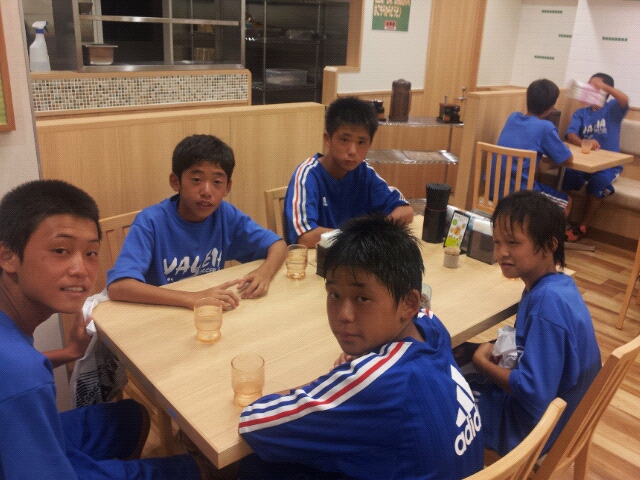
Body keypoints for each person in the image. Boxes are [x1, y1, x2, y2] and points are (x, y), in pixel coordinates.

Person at [237, 215, 484, 479]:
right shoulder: (431, 326)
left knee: (256, 467)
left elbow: (253, 423)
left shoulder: (382, 384)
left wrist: (343, 381)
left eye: (362, 298)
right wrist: (364, 367)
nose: (344, 315)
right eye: (334, 295)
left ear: (409, 303)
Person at [0, 179, 208, 479]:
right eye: (60, 250)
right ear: (8, 256)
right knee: (192, 470)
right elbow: (20, 381)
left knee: (131, 416)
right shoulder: (23, 376)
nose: (81, 270)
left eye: (91, 253)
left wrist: (71, 352)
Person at [467, 190, 601, 457]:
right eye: (497, 242)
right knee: (461, 355)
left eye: (513, 243)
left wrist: (482, 363)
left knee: (442, 396)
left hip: (531, 431)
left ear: (550, 245)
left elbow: (533, 393)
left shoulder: (545, 305)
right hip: (562, 417)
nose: (501, 253)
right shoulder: (558, 286)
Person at [107, 134, 287, 310]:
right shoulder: (151, 221)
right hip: (160, 312)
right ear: (175, 182)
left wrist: (264, 273)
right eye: (196, 180)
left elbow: (278, 245)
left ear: (227, 187)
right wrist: (191, 298)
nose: (206, 191)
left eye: (217, 182)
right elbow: (119, 286)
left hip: (206, 311)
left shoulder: (225, 215)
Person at [284, 96, 414, 247]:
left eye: (361, 142)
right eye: (344, 140)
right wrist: (359, 238)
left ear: (370, 144)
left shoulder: (364, 172)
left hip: (356, 254)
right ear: (327, 139)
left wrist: (377, 232)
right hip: (321, 259)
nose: (352, 151)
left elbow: (405, 210)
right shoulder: (307, 175)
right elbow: (306, 237)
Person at [563, 73, 630, 241]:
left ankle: (583, 226)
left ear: (604, 91)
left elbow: (624, 100)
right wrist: (583, 142)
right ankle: (562, 222)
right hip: (585, 162)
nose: (589, 89)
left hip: (609, 166)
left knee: (598, 183)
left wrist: (604, 86)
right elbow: (571, 134)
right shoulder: (581, 113)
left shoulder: (612, 108)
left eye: (593, 86)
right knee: (567, 175)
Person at [495, 79, 573, 214]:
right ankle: (546, 229)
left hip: (495, 189)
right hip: (519, 196)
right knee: (566, 202)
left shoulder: (513, 118)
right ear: (551, 108)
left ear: (527, 98)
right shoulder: (546, 127)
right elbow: (567, 159)